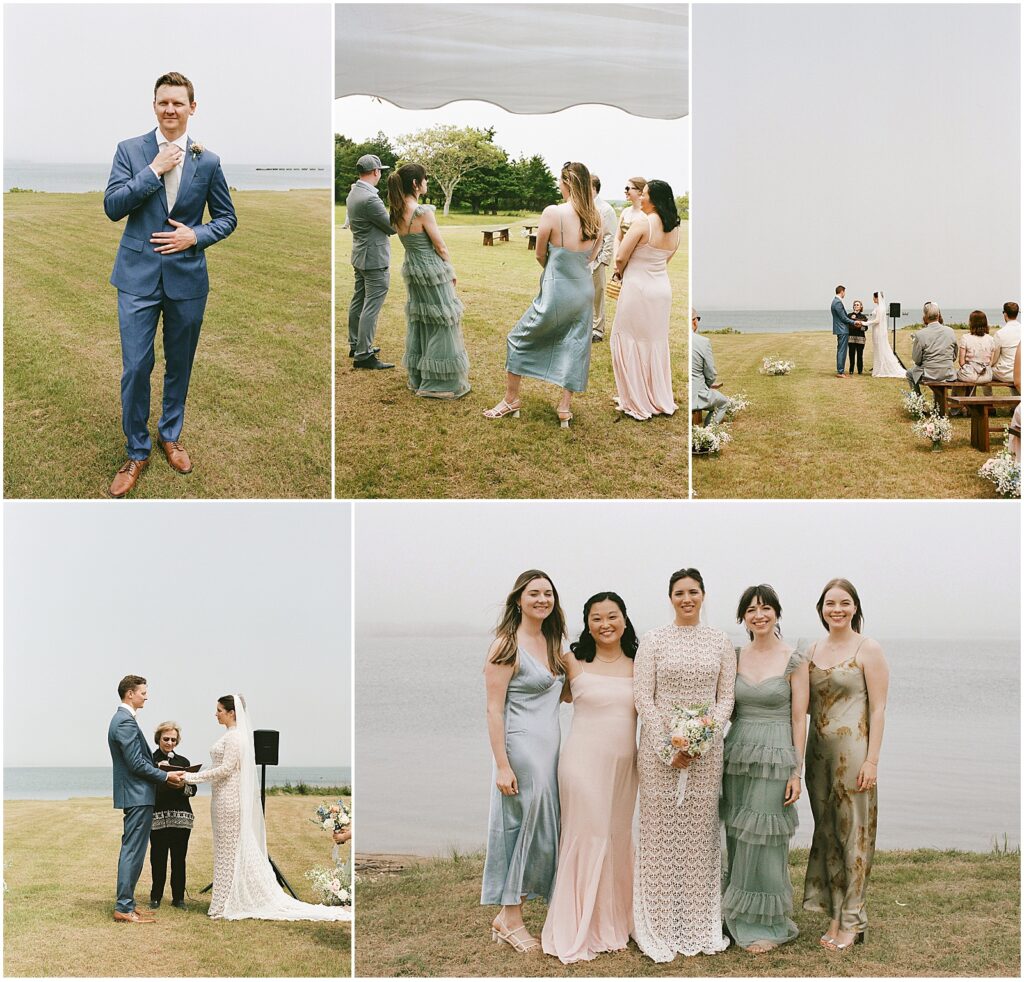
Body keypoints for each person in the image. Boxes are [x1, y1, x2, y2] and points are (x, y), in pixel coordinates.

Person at [103, 72, 237, 498]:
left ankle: (170, 434)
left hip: (188, 279)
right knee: (137, 366)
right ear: (154, 105)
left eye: (179, 103)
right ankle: (136, 450)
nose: (170, 109)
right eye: (163, 102)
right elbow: (112, 206)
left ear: (192, 108)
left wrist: (194, 235)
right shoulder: (130, 151)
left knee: (180, 363)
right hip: (137, 278)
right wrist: (152, 170)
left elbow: (227, 218)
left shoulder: (209, 160)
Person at [633, 568, 736, 962]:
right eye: (680, 592)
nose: (687, 598)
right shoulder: (654, 640)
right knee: (660, 835)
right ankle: (658, 920)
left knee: (699, 836)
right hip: (659, 754)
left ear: (704, 595)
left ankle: (696, 919)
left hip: (707, 754)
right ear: (670, 597)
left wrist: (700, 739)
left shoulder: (720, 641)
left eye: (693, 591)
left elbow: (725, 698)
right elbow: (644, 696)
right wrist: (669, 746)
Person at [182, 695, 350, 921]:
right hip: (221, 797)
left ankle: (223, 904)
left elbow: (226, 769)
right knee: (224, 851)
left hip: (229, 799)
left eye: (219, 710)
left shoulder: (234, 738)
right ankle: (223, 900)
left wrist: (192, 777)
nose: (216, 714)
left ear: (232, 713)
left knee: (229, 852)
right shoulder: (232, 736)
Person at [541, 592, 639, 964]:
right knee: (588, 835)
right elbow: (544, 694)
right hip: (582, 765)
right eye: (596, 618)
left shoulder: (639, 663)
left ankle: (614, 922)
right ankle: (577, 924)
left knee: (616, 837)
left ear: (625, 620)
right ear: (587, 623)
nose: (605, 624)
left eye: (612, 616)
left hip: (624, 768)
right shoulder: (572, 659)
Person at [482, 571, 568, 953]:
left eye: (548, 593)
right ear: (519, 600)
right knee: (520, 826)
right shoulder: (505, 645)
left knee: (546, 826)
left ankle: (515, 912)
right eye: (534, 593)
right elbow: (493, 709)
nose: (542, 600)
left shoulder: (554, 641)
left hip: (551, 748)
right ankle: (510, 918)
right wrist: (502, 764)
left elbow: (564, 694)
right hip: (521, 748)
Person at [803, 579, 889, 952]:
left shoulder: (868, 649)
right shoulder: (811, 649)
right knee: (827, 836)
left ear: (855, 607)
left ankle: (854, 920)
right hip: (817, 757)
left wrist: (872, 760)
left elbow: (879, 708)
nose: (836, 609)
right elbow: (801, 706)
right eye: (829, 603)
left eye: (844, 602)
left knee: (854, 835)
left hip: (854, 756)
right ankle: (835, 915)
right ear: (821, 608)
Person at [721, 585, 808, 953]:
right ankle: (735, 913)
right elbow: (727, 707)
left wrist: (795, 771)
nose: (759, 615)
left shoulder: (795, 659)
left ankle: (766, 924)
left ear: (776, 613)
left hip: (776, 753)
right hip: (738, 752)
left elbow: (798, 719)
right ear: (743, 617)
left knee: (766, 838)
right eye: (752, 610)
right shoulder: (734, 655)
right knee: (738, 835)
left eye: (766, 608)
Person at [484, 163, 601, 427]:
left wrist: (554, 270)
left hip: (557, 291)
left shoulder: (553, 212)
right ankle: (564, 407)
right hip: (584, 290)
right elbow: (591, 258)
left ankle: (511, 400)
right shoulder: (597, 217)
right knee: (575, 344)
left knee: (517, 338)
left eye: (559, 182)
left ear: (566, 183)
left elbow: (539, 253)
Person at [385, 163, 470, 399]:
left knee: (422, 320)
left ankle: (419, 377)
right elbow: (440, 246)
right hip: (432, 270)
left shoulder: (396, 210)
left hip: (413, 269)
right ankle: (437, 383)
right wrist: (450, 270)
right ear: (415, 184)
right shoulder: (422, 212)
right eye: (425, 179)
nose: (427, 183)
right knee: (443, 319)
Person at [107, 675, 186, 922]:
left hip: (137, 794)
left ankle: (127, 903)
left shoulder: (124, 721)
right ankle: (123, 907)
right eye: (143, 692)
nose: (146, 696)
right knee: (132, 851)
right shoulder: (124, 723)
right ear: (130, 693)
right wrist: (165, 776)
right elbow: (136, 763)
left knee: (134, 851)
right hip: (137, 794)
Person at [610, 180, 680, 420]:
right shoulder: (675, 228)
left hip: (637, 289)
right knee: (653, 342)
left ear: (654, 199)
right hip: (661, 290)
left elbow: (620, 256)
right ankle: (655, 395)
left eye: (646, 195)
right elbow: (666, 259)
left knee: (628, 339)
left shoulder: (643, 222)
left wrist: (620, 273)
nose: (641, 198)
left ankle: (636, 398)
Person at [347, 154, 395, 370]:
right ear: (376, 172)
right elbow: (391, 227)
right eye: (380, 171)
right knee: (371, 306)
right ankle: (364, 355)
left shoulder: (354, 193)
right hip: (374, 259)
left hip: (360, 255)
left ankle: (356, 344)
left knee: (359, 301)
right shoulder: (370, 199)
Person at [149, 721, 196, 909]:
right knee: (157, 858)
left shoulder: (183, 762)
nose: (169, 743)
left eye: (173, 740)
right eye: (166, 739)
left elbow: (193, 790)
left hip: (181, 817)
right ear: (158, 739)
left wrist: (183, 785)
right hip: (157, 816)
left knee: (179, 859)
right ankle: (155, 897)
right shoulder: (149, 760)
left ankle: (179, 898)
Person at [589, 175, 619, 342]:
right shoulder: (582, 206)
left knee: (597, 295)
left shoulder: (606, 209)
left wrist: (602, 260)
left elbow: (609, 237)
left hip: (597, 259)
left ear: (594, 189)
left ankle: (598, 330)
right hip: (582, 257)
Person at [906, 302, 957, 394]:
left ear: (925, 316)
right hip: (948, 373)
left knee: (910, 373)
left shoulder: (920, 334)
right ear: (938, 315)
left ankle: (918, 401)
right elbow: (954, 356)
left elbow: (917, 360)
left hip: (929, 374)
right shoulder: (950, 331)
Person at [690, 311, 729, 425]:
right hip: (696, 394)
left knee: (712, 403)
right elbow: (711, 373)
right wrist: (707, 386)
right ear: (694, 321)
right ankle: (708, 433)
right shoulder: (703, 342)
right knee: (723, 403)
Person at [866, 290, 905, 378]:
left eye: (874, 297)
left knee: (881, 349)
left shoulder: (880, 308)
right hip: (875, 330)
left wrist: (866, 323)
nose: (873, 299)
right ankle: (878, 368)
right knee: (877, 349)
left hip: (878, 331)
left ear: (877, 298)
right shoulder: (878, 307)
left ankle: (882, 369)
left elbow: (877, 320)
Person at [956, 310, 996, 384]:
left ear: (971, 323)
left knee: (957, 374)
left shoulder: (965, 338)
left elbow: (961, 362)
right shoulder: (991, 339)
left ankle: (957, 396)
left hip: (970, 375)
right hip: (986, 376)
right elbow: (991, 362)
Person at [830, 286, 858, 378]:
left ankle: (840, 370)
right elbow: (843, 318)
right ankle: (840, 371)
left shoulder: (835, 301)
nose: (845, 294)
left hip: (840, 329)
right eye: (844, 292)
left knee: (840, 350)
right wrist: (854, 322)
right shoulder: (837, 302)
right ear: (842, 292)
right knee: (842, 350)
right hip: (842, 329)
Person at [991, 301, 1021, 385]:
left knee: (986, 372)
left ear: (1005, 314)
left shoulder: (1000, 333)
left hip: (1005, 374)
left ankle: (988, 396)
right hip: (1020, 372)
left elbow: (994, 359)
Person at [615, 176, 647, 252]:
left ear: (639, 191)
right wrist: (616, 257)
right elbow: (617, 238)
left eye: (627, 188)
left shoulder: (646, 215)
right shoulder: (625, 212)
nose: (625, 191)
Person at [847, 300, 868, 375]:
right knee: (851, 354)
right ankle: (851, 370)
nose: (856, 306)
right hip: (851, 338)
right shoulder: (849, 315)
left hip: (860, 339)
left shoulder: (864, 317)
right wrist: (854, 325)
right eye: (855, 305)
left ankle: (860, 370)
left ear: (861, 307)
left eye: (858, 305)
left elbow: (865, 328)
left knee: (860, 355)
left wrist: (859, 327)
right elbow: (847, 325)